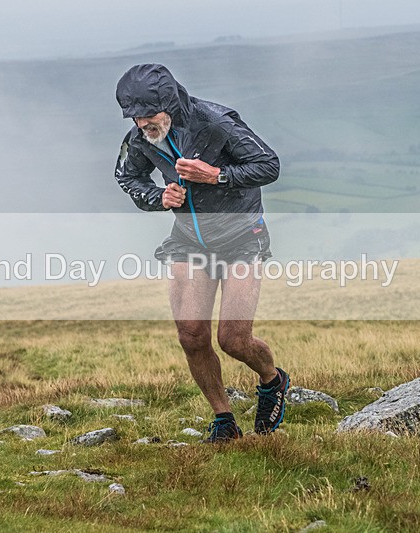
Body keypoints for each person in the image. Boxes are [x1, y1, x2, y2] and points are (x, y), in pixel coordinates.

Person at [114, 63, 289, 442]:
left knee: (234, 340)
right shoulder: (143, 137)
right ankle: (224, 420)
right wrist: (158, 197)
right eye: (134, 117)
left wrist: (216, 176)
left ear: (170, 104)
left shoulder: (216, 122)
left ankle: (272, 380)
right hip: (189, 242)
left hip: (242, 237)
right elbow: (127, 176)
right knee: (192, 335)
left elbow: (268, 165)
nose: (141, 124)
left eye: (148, 115)